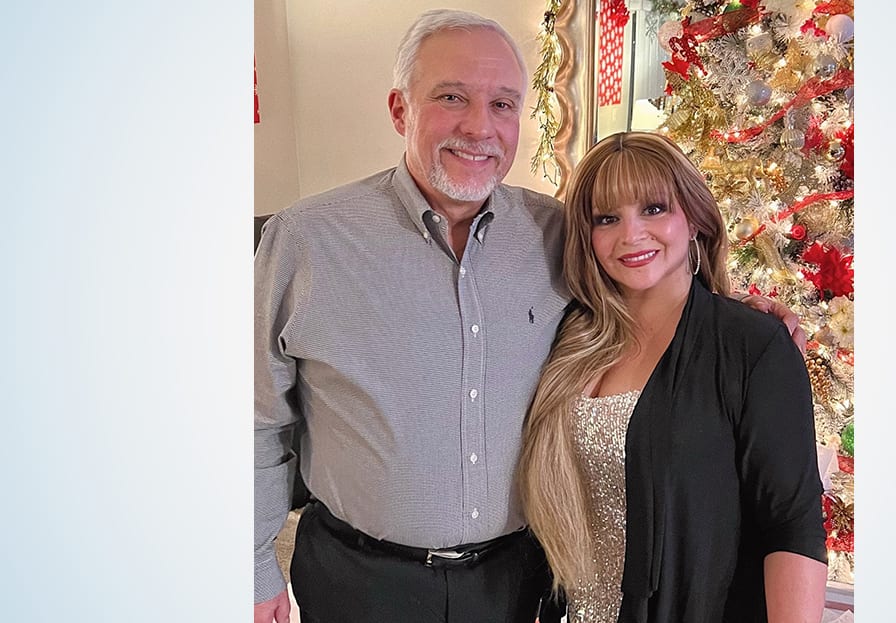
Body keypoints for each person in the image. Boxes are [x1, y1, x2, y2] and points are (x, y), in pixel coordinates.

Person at [254, 10, 805, 623]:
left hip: (515, 585)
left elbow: (642, 276)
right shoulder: (306, 240)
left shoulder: (555, 232)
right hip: (358, 580)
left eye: (503, 105)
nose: (478, 128)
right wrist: (253, 571)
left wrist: (740, 316)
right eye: (451, 97)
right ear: (399, 110)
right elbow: (254, 420)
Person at [518, 132, 828, 623]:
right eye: (607, 218)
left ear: (694, 218)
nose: (631, 234)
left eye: (654, 209)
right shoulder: (565, 340)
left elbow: (791, 525)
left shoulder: (752, 344)